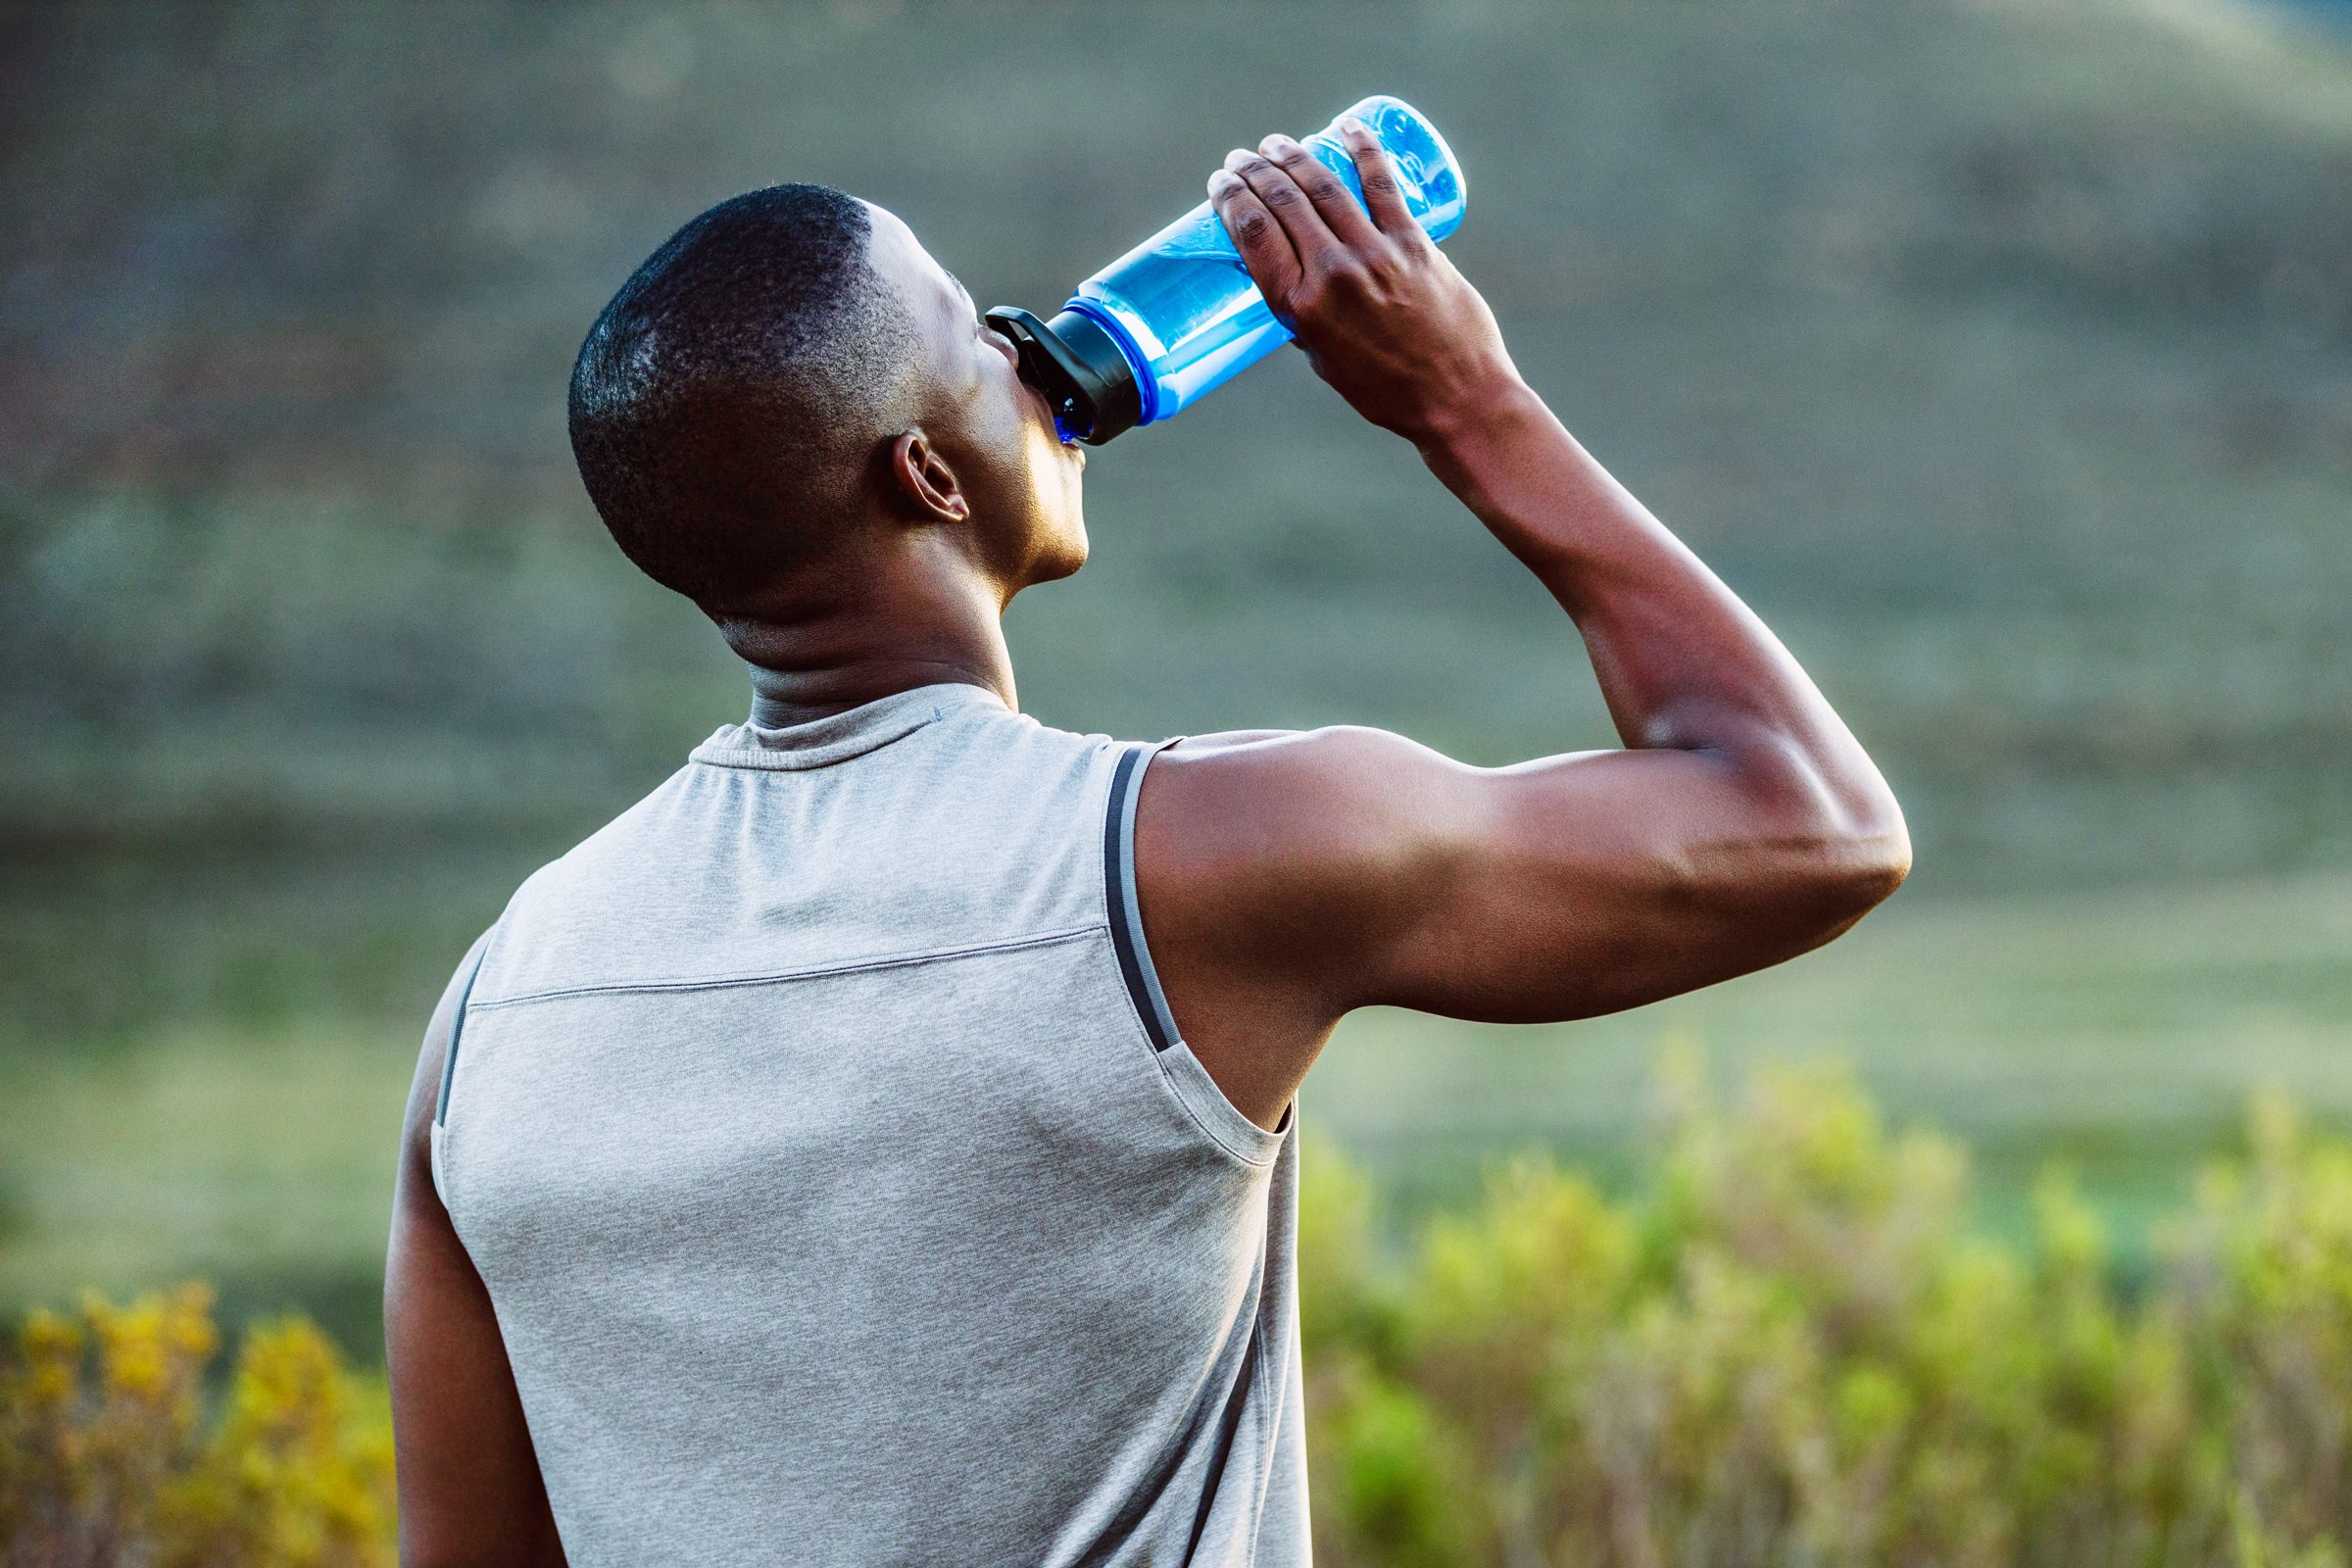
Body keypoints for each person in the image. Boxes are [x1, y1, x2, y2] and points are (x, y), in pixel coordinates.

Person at [384, 119, 1909, 1567]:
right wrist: (1463, 398)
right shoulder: (1182, 864)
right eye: (976, 333)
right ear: (925, 474)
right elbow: (1813, 825)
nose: (1024, 343)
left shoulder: (496, 1011)